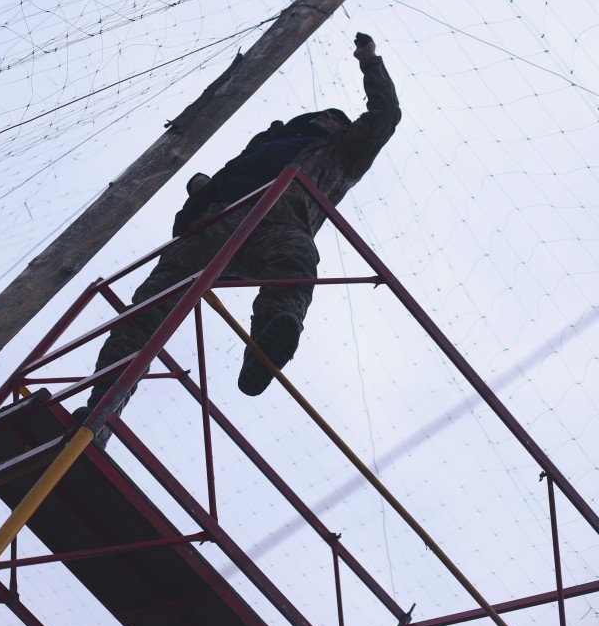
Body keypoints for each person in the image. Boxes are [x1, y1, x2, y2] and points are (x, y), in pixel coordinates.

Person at [76, 32, 400, 443]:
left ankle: (266, 344)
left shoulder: (341, 155)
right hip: (213, 225)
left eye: (340, 121)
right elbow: (232, 175)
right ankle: (99, 413)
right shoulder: (272, 142)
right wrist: (202, 190)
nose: (331, 120)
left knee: (298, 256)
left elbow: (385, 116)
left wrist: (370, 62)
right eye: (325, 114)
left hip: (278, 221)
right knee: (149, 310)